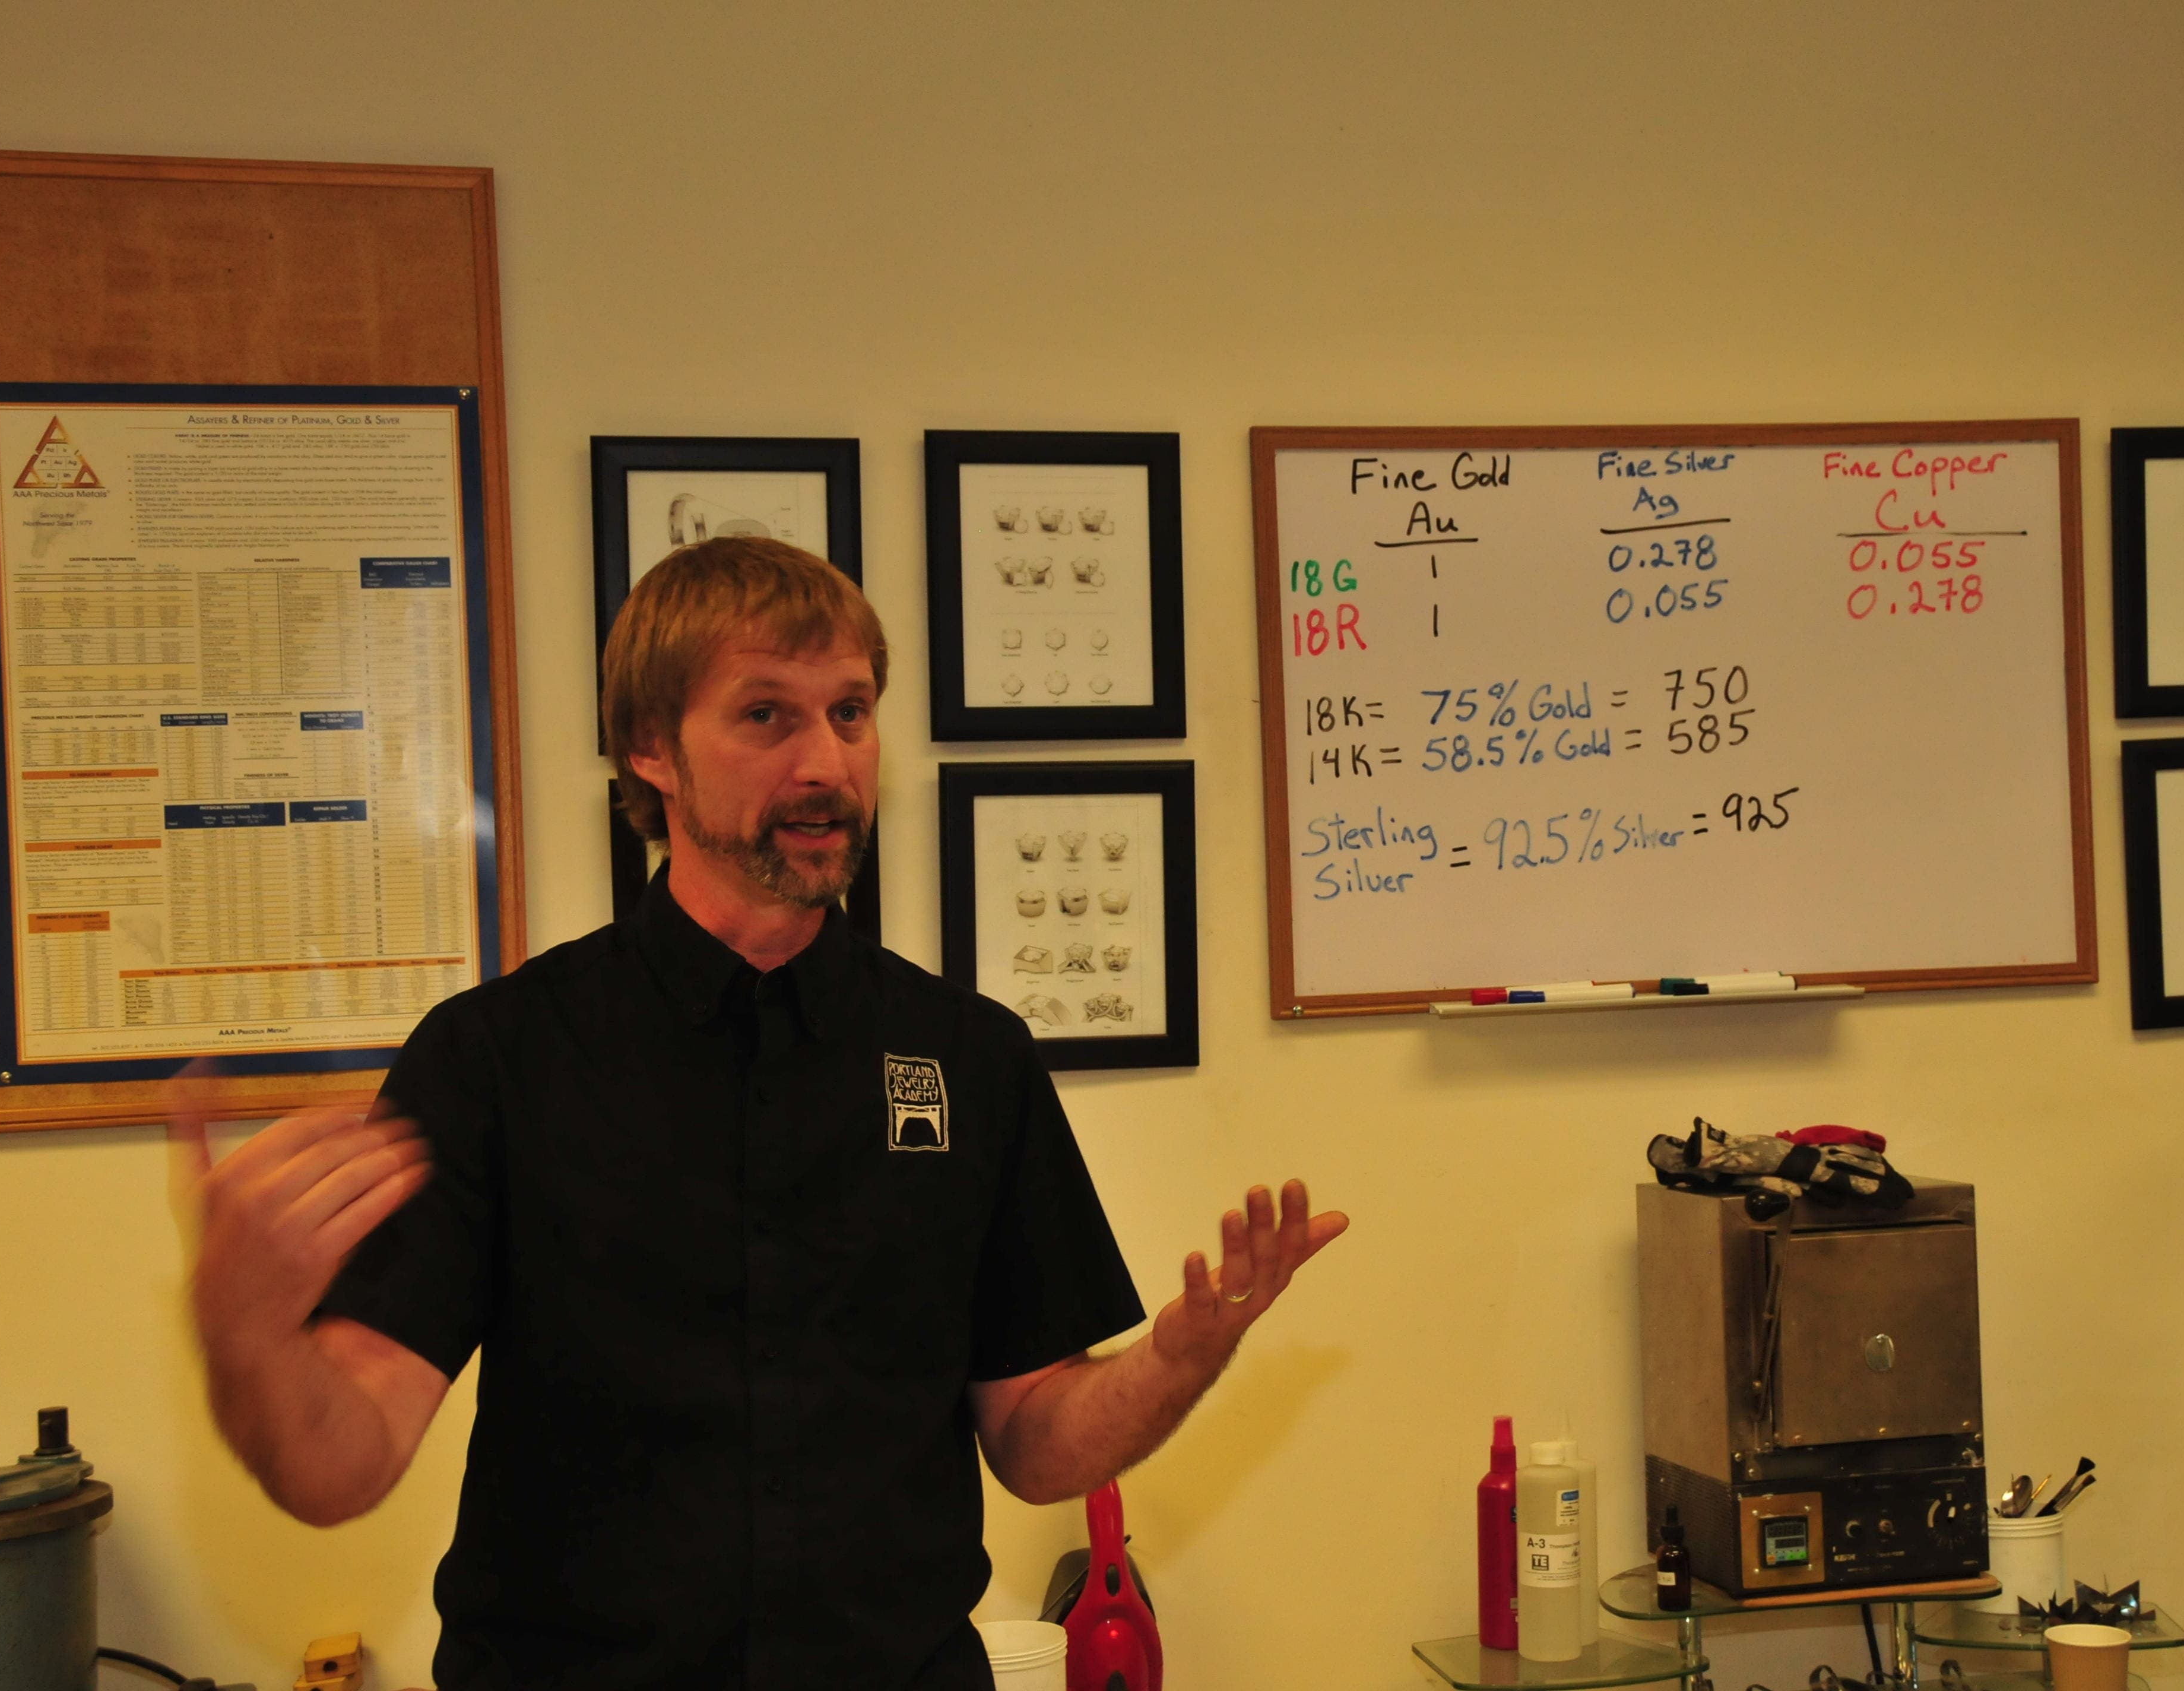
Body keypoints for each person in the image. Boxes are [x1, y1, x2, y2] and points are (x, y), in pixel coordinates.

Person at [172, 537, 1346, 1690]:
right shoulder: (497, 1058)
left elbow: (1036, 1440)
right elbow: (339, 1466)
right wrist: (246, 1329)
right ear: (651, 748)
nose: (826, 762)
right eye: (767, 715)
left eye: (850, 712)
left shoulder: (968, 1056)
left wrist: (1178, 1359)